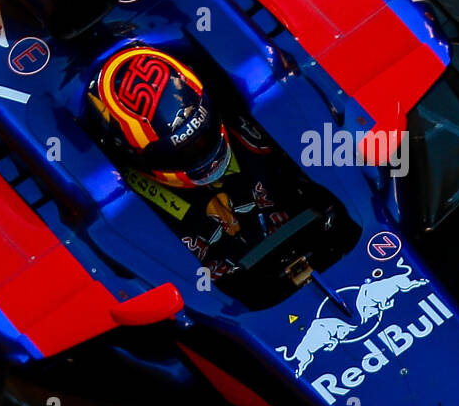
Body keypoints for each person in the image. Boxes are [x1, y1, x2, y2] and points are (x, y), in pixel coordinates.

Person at [87, 45, 300, 281]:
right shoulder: (134, 215)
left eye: (202, 136)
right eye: (182, 152)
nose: (201, 153)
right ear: (129, 150)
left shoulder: (255, 133)